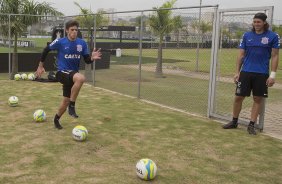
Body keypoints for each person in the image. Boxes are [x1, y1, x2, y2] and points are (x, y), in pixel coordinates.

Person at [36, 20, 102, 130]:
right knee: (81, 78)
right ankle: (72, 106)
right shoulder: (60, 42)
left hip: (72, 75)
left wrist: (92, 58)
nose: (74, 32)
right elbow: (46, 50)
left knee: (65, 101)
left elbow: (87, 60)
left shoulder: (82, 43)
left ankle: (56, 119)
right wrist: (40, 66)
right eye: (72, 30)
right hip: (62, 72)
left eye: (76, 30)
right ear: (67, 30)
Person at [222, 12, 280, 135]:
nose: (256, 24)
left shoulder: (273, 36)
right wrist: (237, 72)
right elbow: (241, 55)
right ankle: (234, 121)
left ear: (264, 22)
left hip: (262, 73)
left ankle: (252, 125)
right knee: (238, 97)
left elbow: (275, 56)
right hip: (246, 72)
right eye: (254, 22)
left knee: (257, 99)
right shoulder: (246, 35)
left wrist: (273, 75)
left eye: (258, 22)